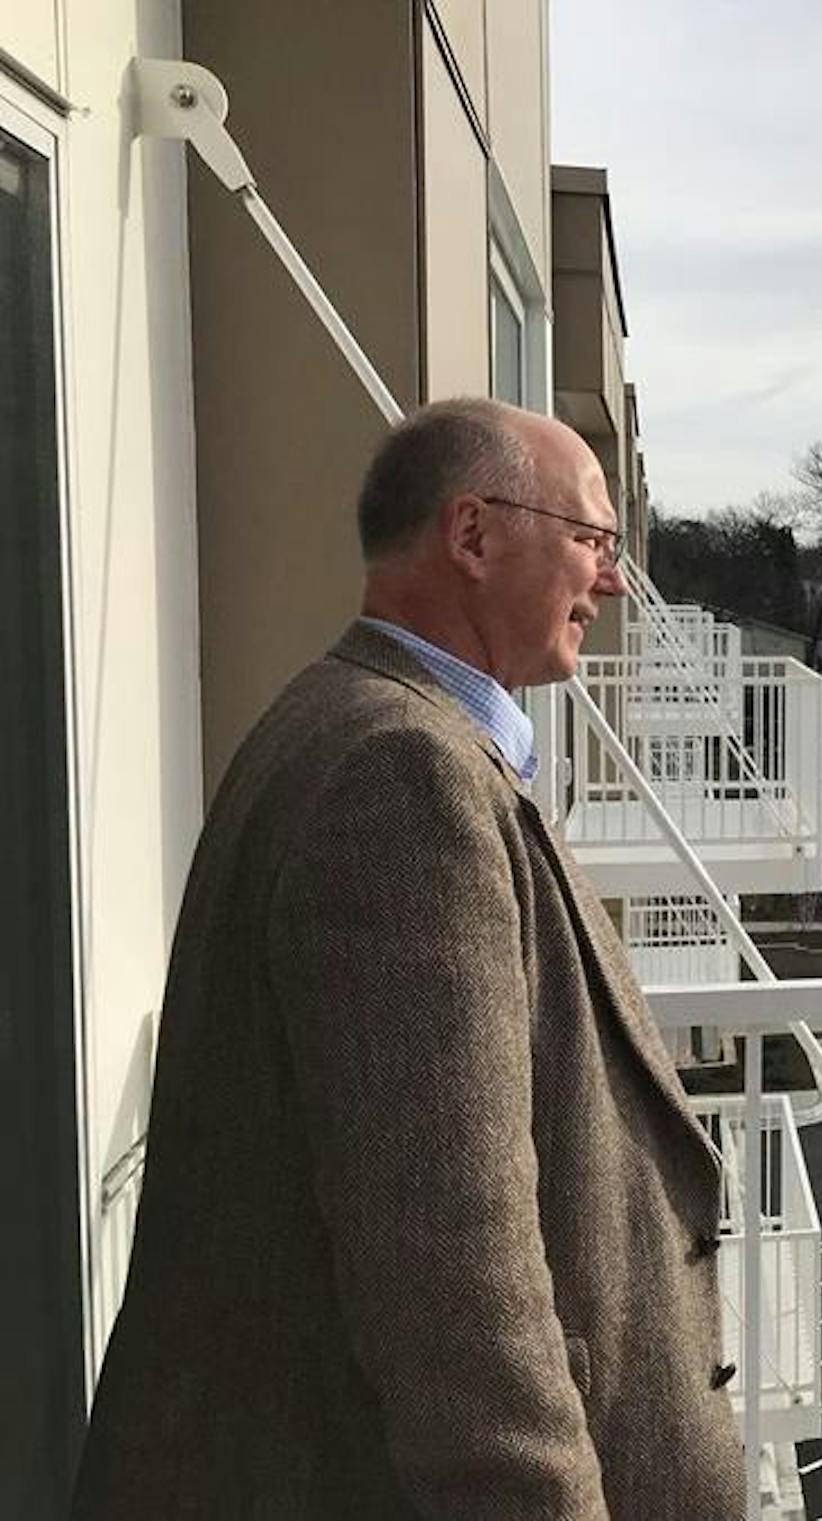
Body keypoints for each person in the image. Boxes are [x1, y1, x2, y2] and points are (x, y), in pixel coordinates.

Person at [73, 399, 745, 1520]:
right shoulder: (402, 775)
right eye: (594, 539)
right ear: (473, 537)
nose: (613, 582)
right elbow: (451, 1272)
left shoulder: (347, 723)